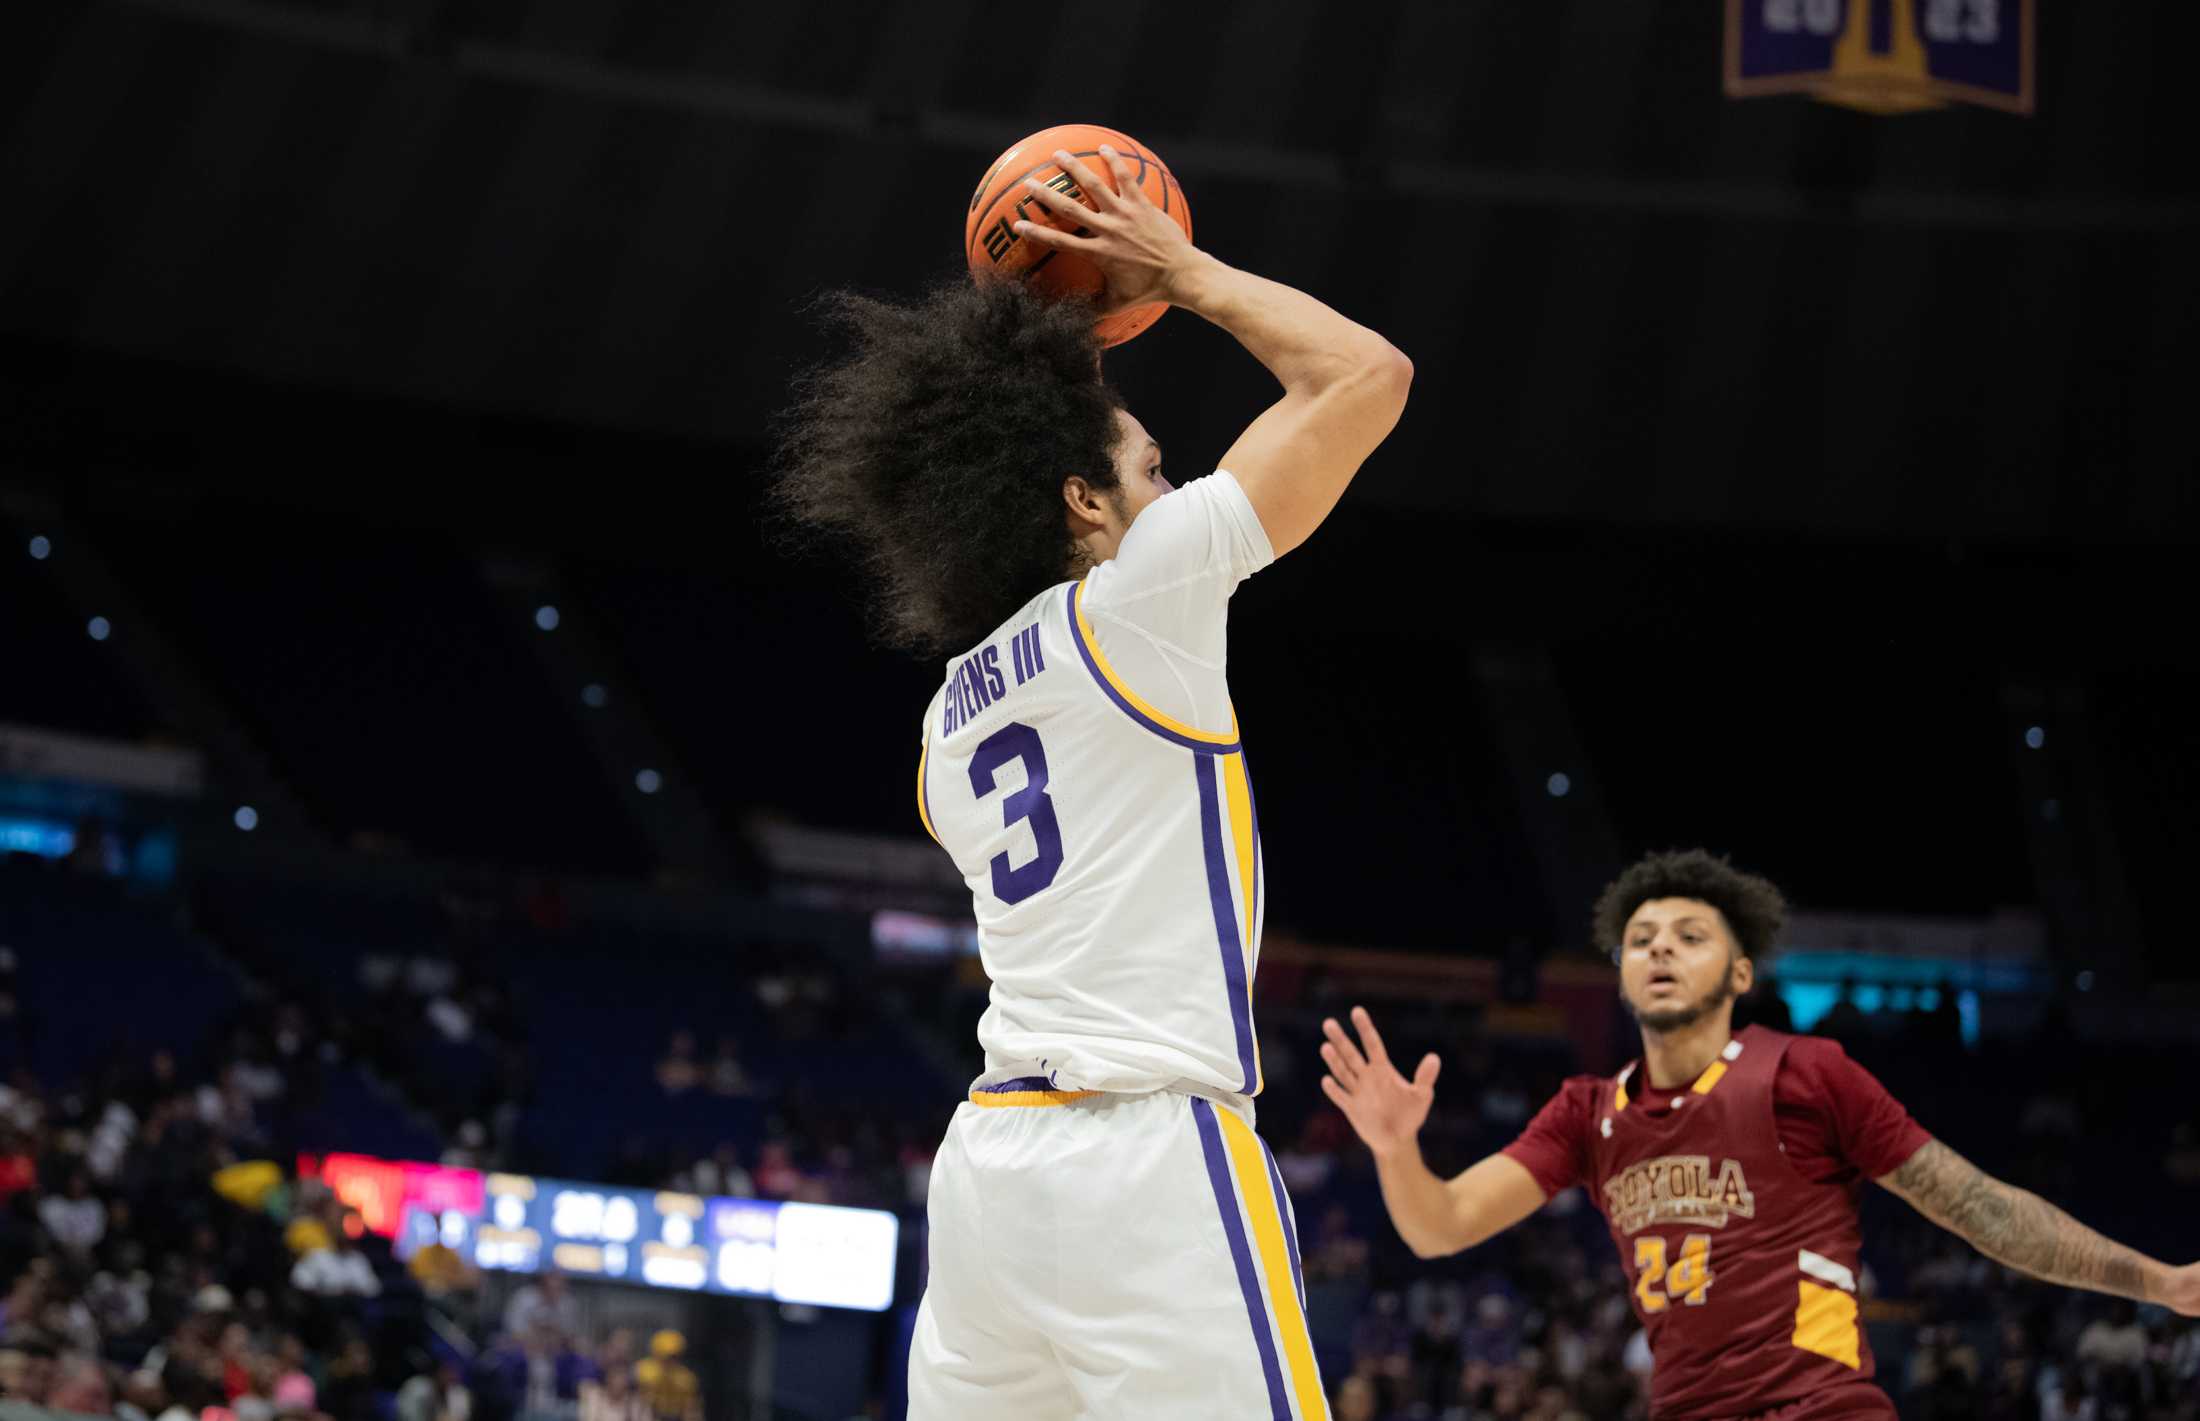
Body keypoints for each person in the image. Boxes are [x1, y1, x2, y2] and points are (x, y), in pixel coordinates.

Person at [773, 142, 1411, 1419]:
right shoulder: (1143, 599)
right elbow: (1364, 375)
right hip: (1145, 1159)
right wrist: (1184, 272)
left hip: (991, 1173)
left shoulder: (943, 727)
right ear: (1079, 503)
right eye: (1151, 472)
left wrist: (1056, 373)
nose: (1173, 491)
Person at [1319, 848, 2200, 1421]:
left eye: (1690, 935)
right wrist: (1398, 1149)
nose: (1659, 949)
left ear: (1740, 970)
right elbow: (1438, 1226)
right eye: (1640, 938)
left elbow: (1983, 1210)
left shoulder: (1807, 1074)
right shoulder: (1586, 1112)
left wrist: (2156, 1278)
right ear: (1622, 974)